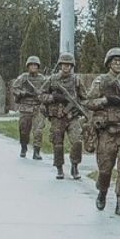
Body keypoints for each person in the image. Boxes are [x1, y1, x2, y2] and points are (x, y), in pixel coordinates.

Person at [84, 47, 120, 215]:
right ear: (108, 63)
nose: (117, 63)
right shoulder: (101, 81)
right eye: (114, 61)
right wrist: (106, 100)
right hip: (107, 132)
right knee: (105, 170)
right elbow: (88, 102)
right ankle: (102, 193)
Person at [42, 52, 86, 180]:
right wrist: (53, 97)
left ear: (72, 66)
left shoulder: (76, 80)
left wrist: (80, 108)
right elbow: (41, 95)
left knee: (77, 141)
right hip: (57, 117)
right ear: (60, 65)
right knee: (57, 143)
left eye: (68, 65)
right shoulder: (52, 79)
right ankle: (59, 168)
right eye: (63, 65)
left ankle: (74, 166)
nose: (66, 67)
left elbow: (85, 98)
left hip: (72, 117)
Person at [10, 55, 47, 160]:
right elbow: (14, 89)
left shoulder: (42, 79)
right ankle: (24, 147)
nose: (33, 67)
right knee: (24, 130)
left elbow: (48, 90)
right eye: (31, 65)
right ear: (28, 66)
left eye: (35, 65)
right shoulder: (23, 78)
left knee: (38, 130)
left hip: (37, 108)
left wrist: (41, 94)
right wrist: (22, 93)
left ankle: (36, 151)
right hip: (25, 108)